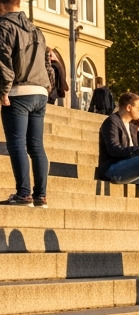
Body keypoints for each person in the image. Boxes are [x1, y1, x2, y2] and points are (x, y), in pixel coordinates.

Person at [0, 0, 49, 208]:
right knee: (36, 145)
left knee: (17, 143)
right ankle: (41, 195)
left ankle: (23, 194)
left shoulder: (4, 26)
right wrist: (47, 88)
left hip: (19, 92)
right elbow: (48, 64)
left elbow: (4, 62)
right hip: (40, 92)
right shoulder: (37, 30)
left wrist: (3, 92)